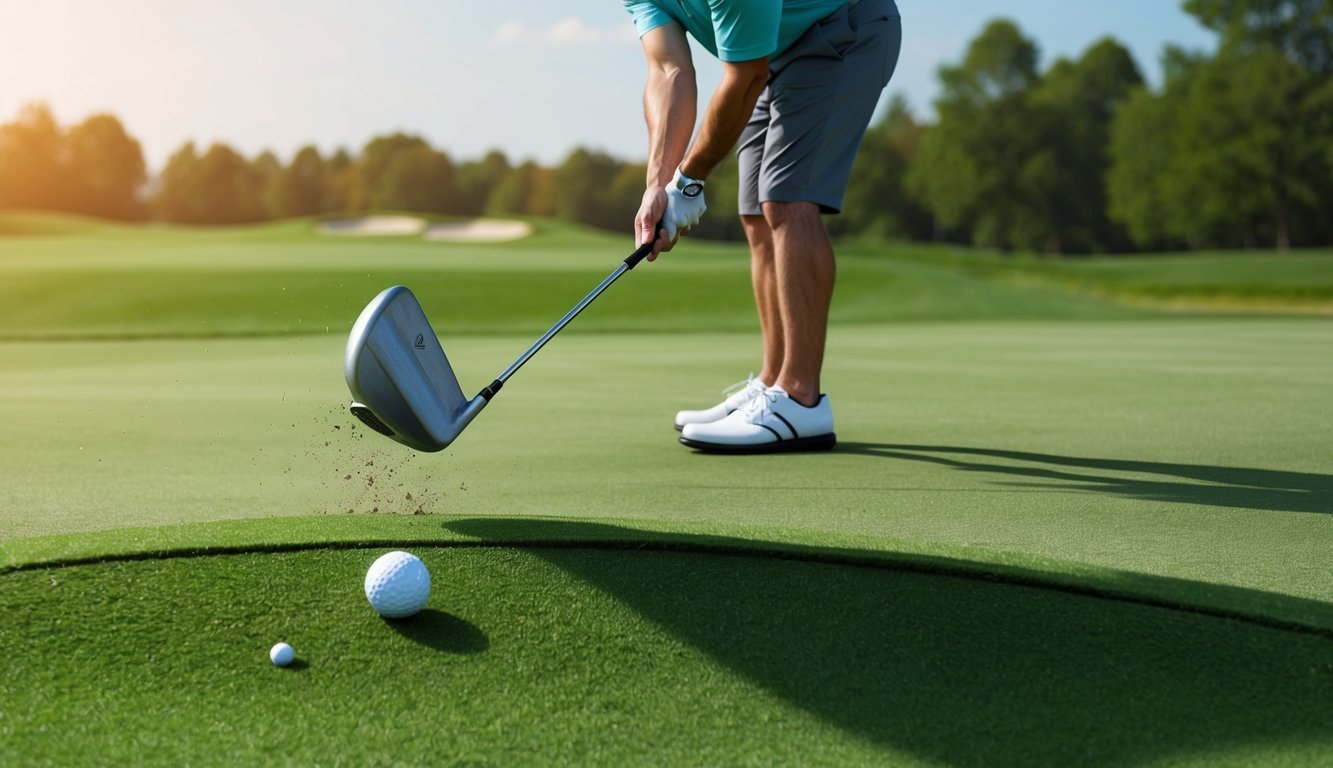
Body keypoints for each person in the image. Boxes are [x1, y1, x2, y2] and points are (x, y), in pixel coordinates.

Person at [624, 0, 902, 454]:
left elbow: (745, 75)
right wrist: (659, 184)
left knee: (788, 198)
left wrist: (688, 182)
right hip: (773, 54)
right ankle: (773, 385)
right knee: (755, 210)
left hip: (842, 29)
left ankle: (800, 397)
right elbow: (668, 71)